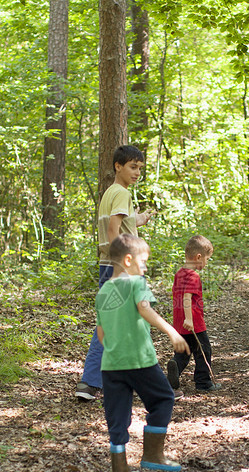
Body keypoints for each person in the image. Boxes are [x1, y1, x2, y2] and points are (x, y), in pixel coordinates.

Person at [95, 234, 190, 472]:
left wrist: (115, 351)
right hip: (139, 361)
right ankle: (153, 455)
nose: (145, 267)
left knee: (117, 417)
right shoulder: (136, 282)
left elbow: (101, 333)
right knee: (163, 399)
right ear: (128, 260)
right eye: (144, 261)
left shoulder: (103, 291)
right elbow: (144, 308)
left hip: (111, 365)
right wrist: (172, 332)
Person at [76, 145, 153, 401]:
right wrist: (124, 268)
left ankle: (95, 383)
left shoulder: (112, 193)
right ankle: (144, 383)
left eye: (140, 168)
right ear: (118, 166)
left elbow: (122, 224)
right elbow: (113, 230)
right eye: (133, 166)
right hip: (120, 267)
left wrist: (139, 219)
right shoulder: (122, 193)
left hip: (108, 264)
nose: (137, 172)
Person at [167, 235, 221, 396]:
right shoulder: (193, 276)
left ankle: (175, 368)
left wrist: (182, 320)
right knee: (204, 350)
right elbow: (186, 298)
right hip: (193, 322)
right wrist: (189, 319)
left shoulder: (179, 273)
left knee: (184, 351)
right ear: (198, 257)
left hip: (179, 323)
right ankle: (203, 382)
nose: (206, 263)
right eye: (207, 259)